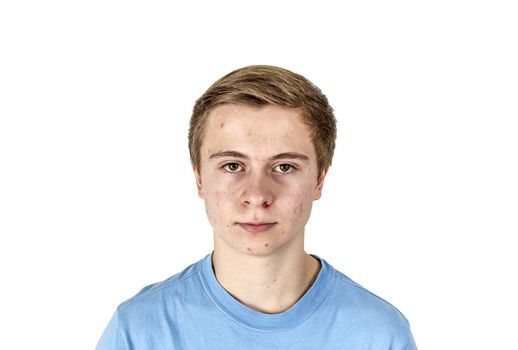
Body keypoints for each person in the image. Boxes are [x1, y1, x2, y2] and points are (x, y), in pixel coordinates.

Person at [96, 65, 418, 349]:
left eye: (284, 167)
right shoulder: (139, 331)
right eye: (233, 166)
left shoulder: (378, 335)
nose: (257, 195)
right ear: (199, 179)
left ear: (319, 180)